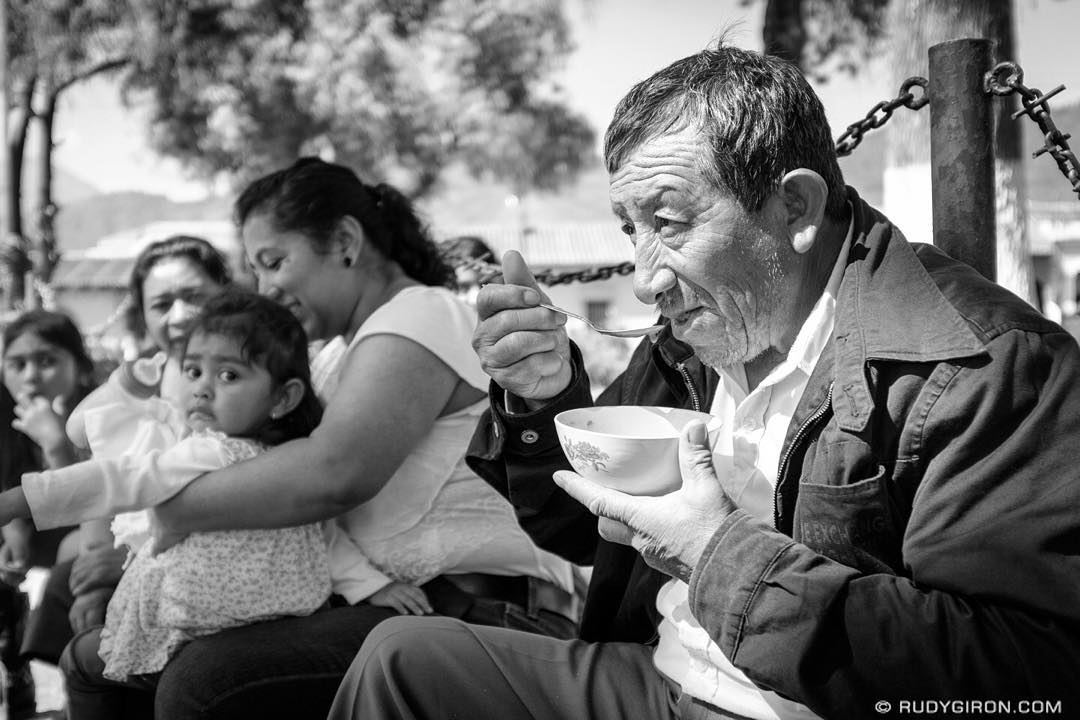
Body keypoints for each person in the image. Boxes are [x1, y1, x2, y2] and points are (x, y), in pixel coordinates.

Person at [329, 43, 1080, 720]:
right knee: (399, 659)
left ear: (797, 206)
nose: (645, 278)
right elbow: (576, 531)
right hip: (661, 679)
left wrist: (715, 553)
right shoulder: (686, 344)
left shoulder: (982, 367)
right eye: (631, 229)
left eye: (670, 221)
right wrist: (543, 397)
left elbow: (1026, 678)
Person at [119, 157, 580, 720]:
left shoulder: (419, 316)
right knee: (107, 662)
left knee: (204, 683)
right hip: (392, 603)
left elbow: (333, 475)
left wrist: (168, 510)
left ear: (343, 240)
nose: (266, 288)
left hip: (480, 611)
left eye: (274, 262)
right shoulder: (342, 347)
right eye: (255, 270)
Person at [0, 292, 330, 719]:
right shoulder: (295, 456)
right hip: (276, 616)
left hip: (198, 624)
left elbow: (115, 478)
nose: (203, 389)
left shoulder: (206, 452)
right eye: (193, 371)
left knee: (84, 662)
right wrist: (370, 585)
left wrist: (16, 500)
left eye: (229, 375)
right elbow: (331, 536)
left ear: (284, 398)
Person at [21, 236, 232, 718]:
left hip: (213, 569)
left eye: (194, 296)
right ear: (142, 313)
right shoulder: (146, 376)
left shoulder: (245, 372)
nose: (179, 314)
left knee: (89, 628)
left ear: (227, 291)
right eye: (161, 303)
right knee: (73, 580)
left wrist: (119, 565)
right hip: (145, 554)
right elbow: (91, 444)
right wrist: (98, 568)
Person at [1, 309, 96, 717]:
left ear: (82, 368)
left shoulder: (99, 420)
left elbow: (90, 510)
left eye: (47, 360)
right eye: (17, 364)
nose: (31, 376)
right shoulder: (5, 422)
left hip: (79, 545)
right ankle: (14, 673)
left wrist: (56, 444)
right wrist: (14, 530)